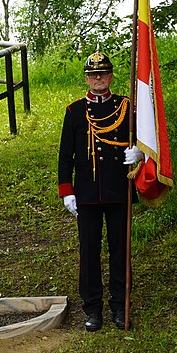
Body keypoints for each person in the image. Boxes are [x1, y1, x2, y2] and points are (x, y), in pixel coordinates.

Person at [57, 51, 143, 332]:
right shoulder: (75, 111)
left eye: (103, 74)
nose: (98, 79)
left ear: (111, 76)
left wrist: (139, 154)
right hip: (88, 193)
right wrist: (67, 191)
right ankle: (93, 308)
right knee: (89, 252)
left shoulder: (127, 107)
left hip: (119, 188)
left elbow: (142, 140)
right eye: (93, 75)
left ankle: (120, 305)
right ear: (86, 78)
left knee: (120, 250)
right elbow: (65, 156)